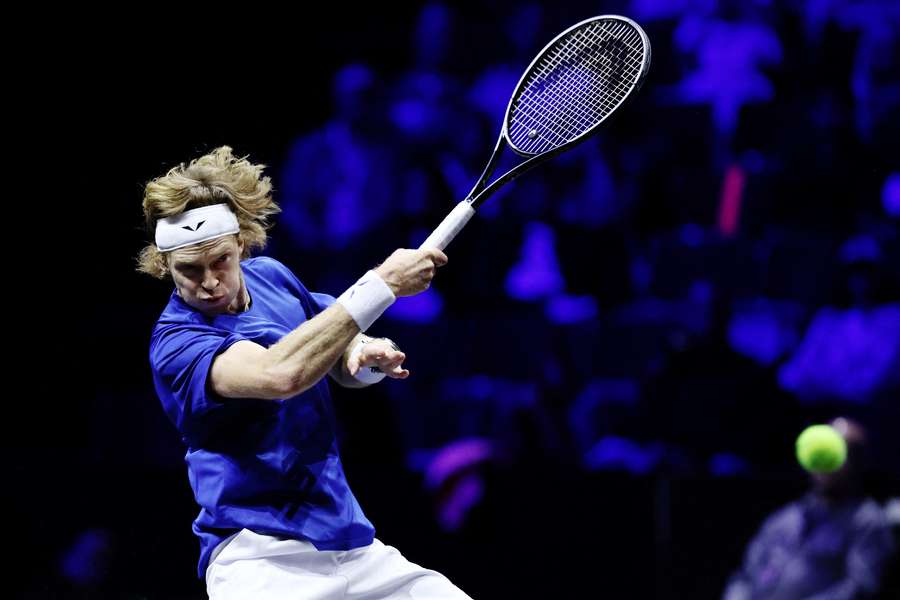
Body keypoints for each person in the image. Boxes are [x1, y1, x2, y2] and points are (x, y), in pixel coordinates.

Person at [137, 146, 471, 599]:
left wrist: (366, 352)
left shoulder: (271, 277)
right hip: (261, 562)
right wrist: (382, 284)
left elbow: (333, 337)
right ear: (165, 266)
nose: (210, 281)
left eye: (220, 261)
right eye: (189, 270)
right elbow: (281, 374)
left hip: (351, 546)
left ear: (240, 243)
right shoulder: (177, 342)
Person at [722, 417, 895, 599]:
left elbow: (861, 588)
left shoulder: (868, 522)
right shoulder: (785, 517)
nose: (828, 462)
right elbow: (744, 576)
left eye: (844, 454)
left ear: (858, 463)